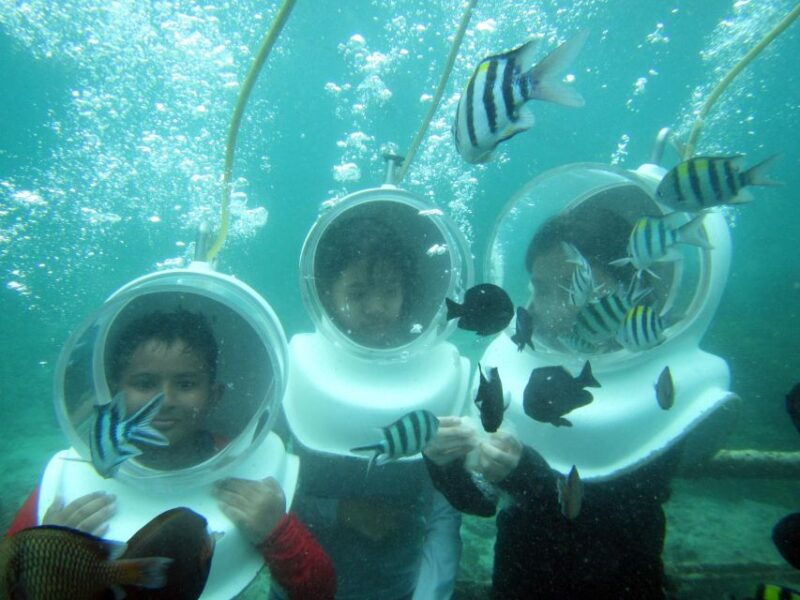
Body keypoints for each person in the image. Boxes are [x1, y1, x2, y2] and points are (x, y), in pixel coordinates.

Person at [424, 203, 684, 599]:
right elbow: (479, 502)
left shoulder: (661, 381)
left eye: (557, 289)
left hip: (622, 584)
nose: (532, 307)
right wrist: (443, 462)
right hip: (520, 583)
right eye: (535, 286)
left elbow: (628, 511)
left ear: (622, 287)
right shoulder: (512, 364)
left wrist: (529, 480)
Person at [8, 309, 336, 598]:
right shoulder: (74, 478)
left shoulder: (247, 467)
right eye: (144, 383)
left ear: (214, 395)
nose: (164, 400)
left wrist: (278, 533)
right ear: (114, 392)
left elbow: (320, 590)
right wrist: (40, 551)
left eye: (185, 384)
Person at [277, 210, 463, 600]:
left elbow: (445, 509)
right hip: (299, 582)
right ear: (326, 295)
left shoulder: (441, 374)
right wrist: (343, 511)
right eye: (358, 293)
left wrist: (431, 593)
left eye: (389, 291)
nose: (376, 306)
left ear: (406, 291)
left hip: (397, 586)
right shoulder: (296, 371)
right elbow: (269, 490)